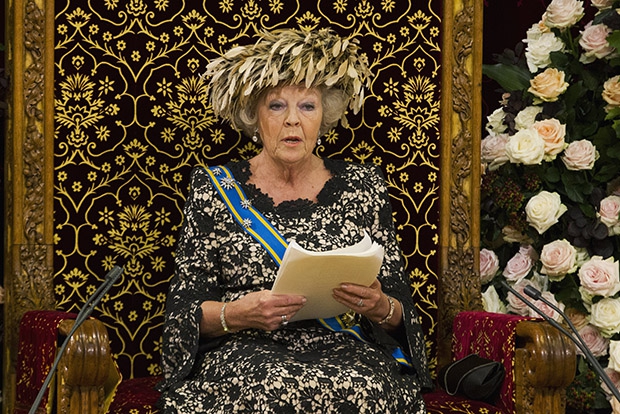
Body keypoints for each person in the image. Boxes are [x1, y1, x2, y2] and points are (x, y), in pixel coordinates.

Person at [157, 28, 432, 413]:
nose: (292, 121)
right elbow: (183, 311)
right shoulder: (214, 188)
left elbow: (400, 305)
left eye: (307, 106)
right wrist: (237, 314)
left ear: (324, 116)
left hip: (344, 346)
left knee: (365, 387)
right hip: (247, 348)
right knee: (274, 386)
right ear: (254, 116)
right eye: (276, 106)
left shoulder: (363, 184)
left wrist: (380, 307)